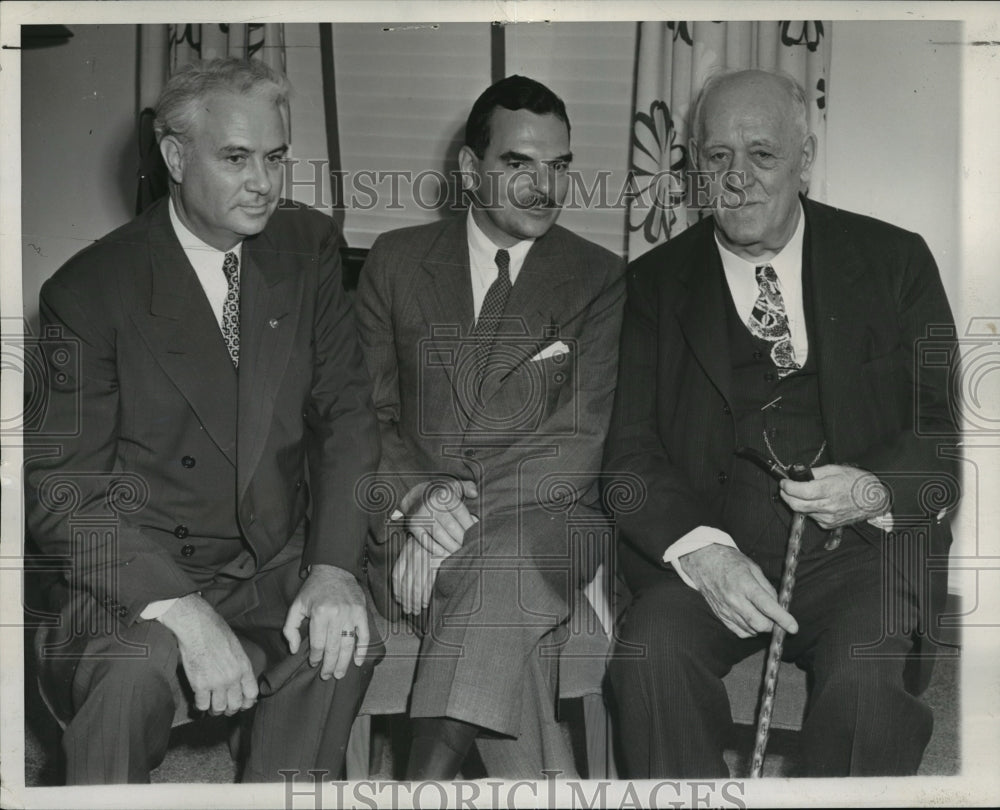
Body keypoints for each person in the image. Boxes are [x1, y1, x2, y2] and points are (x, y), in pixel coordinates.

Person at [25, 57, 381, 784]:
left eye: (276, 158)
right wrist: (182, 612)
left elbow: (347, 413)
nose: (264, 183)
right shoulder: (88, 291)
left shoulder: (306, 246)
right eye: (236, 158)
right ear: (174, 155)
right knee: (131, 670)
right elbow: (64, 496)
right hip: (134, 575)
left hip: (268, 561)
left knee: (343, 634)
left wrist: (335, 567)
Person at [603, 69, 959, 777]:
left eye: (762, 154)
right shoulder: (652, 282)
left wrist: (874, 489)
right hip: (715, 548)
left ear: (805, 155)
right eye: (717, 157)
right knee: (651, 655)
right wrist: (703, 551)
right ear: (695, 166)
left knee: (866, 692)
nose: (738, 179)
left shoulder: (895, 261)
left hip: (862, 556)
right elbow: (629, 456)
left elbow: (943, 436)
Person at [354, 75, 625, 779]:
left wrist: (450, 521)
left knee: (503, 566)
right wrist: (418, 502)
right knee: (505, 605)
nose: (546, 187)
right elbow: (361, 413)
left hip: (545, 520)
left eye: (559, 166)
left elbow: (576, 442)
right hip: (412, 528)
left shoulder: (601, 278)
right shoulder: (395, 261)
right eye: (519, 164)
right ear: (471, 171)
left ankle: (420, 784)